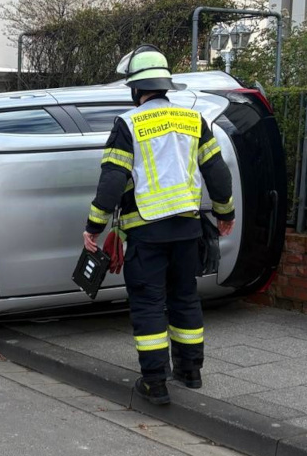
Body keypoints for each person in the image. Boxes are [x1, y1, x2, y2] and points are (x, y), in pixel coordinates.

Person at [83, 45, 235, 405]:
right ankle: (191, 371)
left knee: (150, 304)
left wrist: (94, 226)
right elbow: (217, 171)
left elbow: (112, 181)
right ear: (165, 85)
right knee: (185, 297)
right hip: (188, 230)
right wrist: (225, 214)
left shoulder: (128, 123)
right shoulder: (193, 120)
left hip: (147, 232)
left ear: (136, 89)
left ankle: (155, 382)